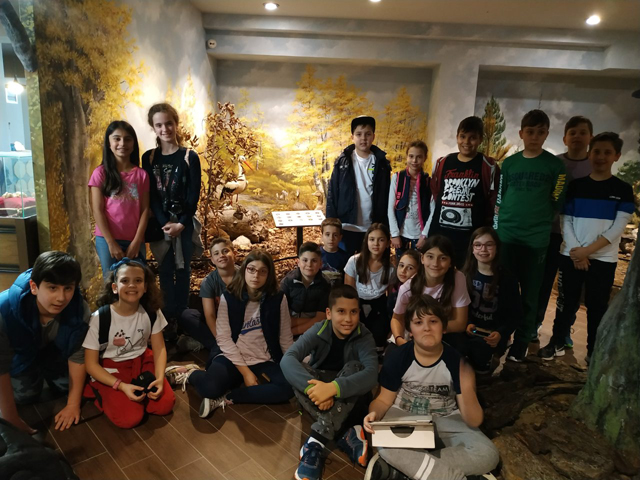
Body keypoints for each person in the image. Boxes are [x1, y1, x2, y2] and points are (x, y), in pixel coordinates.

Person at [363, 295, 499, 480]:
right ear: (410, 330)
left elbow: (474, 420)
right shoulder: (398, 357)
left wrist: (468, 390)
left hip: (446, 419)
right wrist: (374, 414)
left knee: (488, 453)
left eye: (433, 321)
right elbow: (383, 400)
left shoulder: (456, 361)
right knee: (385, 443)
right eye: (418, 322)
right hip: (404, 417)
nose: (426, 328)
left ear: (444, 328)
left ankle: (405, 471)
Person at [538, 132, 635, 364]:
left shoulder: (622, 189)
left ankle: (593, 351)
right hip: (571, 255)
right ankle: (557, 341)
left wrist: (587, 252)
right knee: (565, 303)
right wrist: (577, 251)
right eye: (597, 151)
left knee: (597, 306)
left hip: (603, 259)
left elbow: (617, 228)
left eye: (607, 152)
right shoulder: (576, 187)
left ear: (616, 156)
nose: (601, 156)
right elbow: (566, 221)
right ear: (590, 154)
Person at [168, 250, 294, 417]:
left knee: (287, 388)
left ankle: (229, 396)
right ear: (244, 270)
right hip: (233, 356)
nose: (256, 275)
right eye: (251, 269)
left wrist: (293, 364)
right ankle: (191, 374)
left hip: (264, 357)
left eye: (262, 271)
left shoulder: (278, 298)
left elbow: (285, 336)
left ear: (269, 274)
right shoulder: (229, 297)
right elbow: (224, 339)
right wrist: (246, 373)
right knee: (209, 388)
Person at [281, 284, 378, 480]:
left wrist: (333, 389)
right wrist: (315, 390)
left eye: (353, 312)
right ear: (328, 313)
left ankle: (315, 443)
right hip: (320, 392)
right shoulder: (319, 329)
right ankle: (347, 432)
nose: (348, 319)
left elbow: (371, 375)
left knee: (356, 367)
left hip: (350, 397)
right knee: (299, 374)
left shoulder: (364, 335)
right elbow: (288, 359)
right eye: (341, 311)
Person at [493, 109, 566, 362]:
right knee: (503, 290)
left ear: (546, 134)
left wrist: (539, 221)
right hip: (507, 236)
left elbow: (557, 201)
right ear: (521, 133)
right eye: (530, 132)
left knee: (530, 294)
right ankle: (501, 336)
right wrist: (498, 229)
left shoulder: (555, 166)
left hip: (536, 241)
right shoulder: (509, 164)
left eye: (540, 132)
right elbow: (501, 197)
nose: (535, 136)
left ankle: (522, 341)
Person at [0, 251, 89, 433]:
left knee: (66, 387)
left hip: (54, 353)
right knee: (24, 396)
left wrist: (73, 405)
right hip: (19, 356)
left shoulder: (79, 309)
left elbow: (78, 355)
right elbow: (0, 365)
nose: (61, 298)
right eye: (52, 288)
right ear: (34, 286)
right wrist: (11, 419)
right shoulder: (4, 310)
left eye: (68, 288)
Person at [83, 259, 175, 428]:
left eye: (138, 280)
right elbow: (90, 364)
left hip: (142, 360)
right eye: (125, 280)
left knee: (164, 405)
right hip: (112, 367)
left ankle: (156, 383)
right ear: (114, 287)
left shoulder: (151, 312)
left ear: (145, 287)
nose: (132, 285)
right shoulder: (100, 318)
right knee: (129, 418)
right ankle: (100, 391)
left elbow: (159, 347)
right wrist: (121, 386)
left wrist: (160, 379)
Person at [142, 103, 202, 338]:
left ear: (176, 124)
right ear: (153, 127)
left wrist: (181, 223)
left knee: (183, 269)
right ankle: (167, 320)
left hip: (183, 223)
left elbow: (193, 194)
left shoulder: (189, 157)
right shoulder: (149, 158)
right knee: (165, 269)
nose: (164, 129)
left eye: (168, 123)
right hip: (161, 224)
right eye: (159, 125)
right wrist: (164, 222)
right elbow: (151, 194)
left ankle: (183, 315)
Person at [535, 116, 593, 345]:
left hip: (580, 238)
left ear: (590, 137)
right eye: (573, 132)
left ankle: (564, 331)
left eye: (582, 132)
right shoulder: (554, 163)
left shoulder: (594, 166)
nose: (577, 137)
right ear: (564, 138)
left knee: (571, 287)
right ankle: (534, 324)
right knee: (542, 283)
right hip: (550, 234)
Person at [426, 117, 500, 268]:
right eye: (463, 136)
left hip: (471, 240)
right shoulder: (442, 163)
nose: (466, 142)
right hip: (441, 235)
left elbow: (493, 201)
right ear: (457, 137)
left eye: (472, 137)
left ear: (480, 139)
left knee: (466, 277)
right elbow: (436, 193)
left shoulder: (489, 166)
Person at [89, 121, 149, 274]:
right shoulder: (100, 173)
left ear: (133, 144)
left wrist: (137, 241)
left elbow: (145, 210)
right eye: (117, 139)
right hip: (106, 239)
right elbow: (97, 210)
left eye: (127, 139)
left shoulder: (141, 175)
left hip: (134, 240)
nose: (122, 143)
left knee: (137, 280)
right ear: (109, 143)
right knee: (111, 281)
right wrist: (110, 242)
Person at [390, 235, 470, 349]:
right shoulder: (407, 288)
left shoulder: (458, 278)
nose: (435, 263)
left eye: (443, 258)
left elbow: (460, 323)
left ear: (450, 262)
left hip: (444, 332)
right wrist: (399, 340)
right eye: (430, 257)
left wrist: (430, 330)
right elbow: (397, 318)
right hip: (413, 333)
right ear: (422, 258)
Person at [326, 115, 391, 256]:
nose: (363, 138)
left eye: (368, 134)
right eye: (359, 134)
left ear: (373, 136)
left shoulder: (381, 164)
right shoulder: (342, 162)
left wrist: (386, 226)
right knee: (345, 265)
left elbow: (387, 196)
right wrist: (331, 224)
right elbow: (332, 193)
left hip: (372, 227)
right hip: (346, 226)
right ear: (352, 137)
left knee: (369, 264)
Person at [461, 227, 522, 374]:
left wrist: (501, 333)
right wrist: (467, 322)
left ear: (496, 248)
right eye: (478, 245)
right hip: (468, 329)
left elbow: (515, 314)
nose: (483, 249)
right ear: (472, 249)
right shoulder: (464, 275)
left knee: (480, 354)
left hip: (492, 334)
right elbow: (458, 306)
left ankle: (490, 360)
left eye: (489, 245)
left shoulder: (507, 279)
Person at [174, 237, 238, 356]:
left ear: (234, 254)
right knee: (187, 315)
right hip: (219, 322)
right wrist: (221, 340)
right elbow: (210, 315)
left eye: (225, 251)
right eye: (216, 253)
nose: (221, 255)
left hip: (239, 321)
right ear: (212, 260)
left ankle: (208, 345)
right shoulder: (209, 281)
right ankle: (217, 345)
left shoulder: (245, 276)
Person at [344, 223, 394, 351]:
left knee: (378, 338)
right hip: (357, 301)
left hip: (379, 303)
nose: (376, 244)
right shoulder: (354, 261)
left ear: (388, 243)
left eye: (381, 240)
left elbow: (390, 295)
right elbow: (348, 290)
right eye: (372, 239)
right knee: (355, 335)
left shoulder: (391, 269)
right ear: (366, 241)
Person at [388, 140, 431, 258]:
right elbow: (390, 208)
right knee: (402, 264)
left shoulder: (428, 181)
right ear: (407, 156)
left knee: (419, 265)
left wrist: (424, 235)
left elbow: (432, 211)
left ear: (425, 158)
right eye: (411, 156)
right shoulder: (397, 178)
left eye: (419, 157)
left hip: (420, 236)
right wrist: (395, 234)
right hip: (401, 234)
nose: (414, 161)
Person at [280, 242, 331, 336]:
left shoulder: (325, 285)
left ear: (320, 264)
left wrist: (291, 333)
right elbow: (281, 317)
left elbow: (321, 318)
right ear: (298, 262)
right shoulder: (288, 282)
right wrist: (313, 321)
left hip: (312, 331)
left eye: (314, 261)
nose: (309, 264)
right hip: (291, 325)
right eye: (305, 260)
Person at [320, 217, 350, 285]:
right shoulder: (316, 254)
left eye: (335, 235)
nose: (331, 238)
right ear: (322, 236)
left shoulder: (346, 258)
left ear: (340, 237)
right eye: (327, 234)